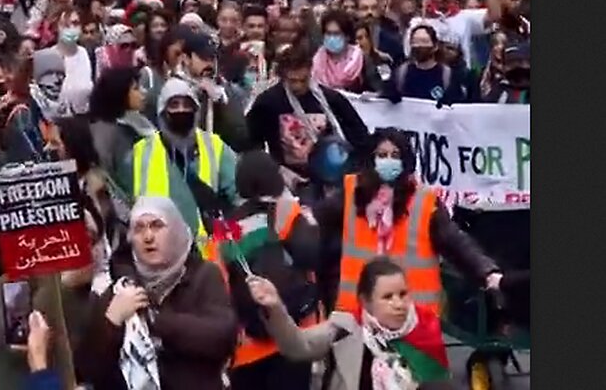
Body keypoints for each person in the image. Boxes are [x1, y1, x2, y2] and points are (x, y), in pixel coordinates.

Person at [313, 128, 502, 315]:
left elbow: (456, 242)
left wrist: (487, 272)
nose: (388, 161)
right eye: (382, 155)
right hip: (357, 319)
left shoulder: (424, 201)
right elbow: (315, 231)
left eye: (395, 155)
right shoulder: (350, 194)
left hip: (412, 321)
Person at [76, 197, 238, 390]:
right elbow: (88, 369)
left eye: (157, 225)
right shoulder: (121, 289)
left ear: (176, 230)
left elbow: (222, 338)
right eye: (139, 228)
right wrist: (111, 321)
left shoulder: (202, 275)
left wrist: (155, 321)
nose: (148, 237)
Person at [247, 257, 453, 390]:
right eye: (388, 297)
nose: (398, 304)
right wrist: (275, 307)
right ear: (365, 301)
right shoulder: (346, 328)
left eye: (403, 294)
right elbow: (298, 346)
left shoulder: (424, 331)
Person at [225, 151, 322, 390]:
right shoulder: (286, 211)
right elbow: (311, 255)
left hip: (248, 344)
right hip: (294, 336)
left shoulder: (226, 226)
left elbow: (223, 281)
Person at [118, 78, 239, 260]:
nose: (181, 110)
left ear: (196, 110)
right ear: (162, 111)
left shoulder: (214, 145)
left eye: (187, 104)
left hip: (209, 254)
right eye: (174, 104)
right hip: (160, 255)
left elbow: (239, 193)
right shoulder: (140, 152)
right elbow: (126, 206)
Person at [246, 43, 370, 196]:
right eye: (292, 81)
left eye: (303, 80)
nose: (298, 86)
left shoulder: (331, 99)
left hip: (333, 181)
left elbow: (360, 136)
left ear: (311, 71)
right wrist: (276, 170)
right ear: (283, 75)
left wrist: (353, 167)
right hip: (288, 182)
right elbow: (251, 143)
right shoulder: (268, 102)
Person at [143, 30, 250, 151]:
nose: (210, 63)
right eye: (203, 57)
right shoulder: (164, 90)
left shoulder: (225, 90)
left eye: (213, 58)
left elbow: (240, 135)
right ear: (186, 58)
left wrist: (221, 103)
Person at [385, 25, 465, 107]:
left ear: (435, 46)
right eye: (415, 42)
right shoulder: (401, 74)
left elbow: (457, 107)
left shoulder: (447, 75)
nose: (419, 46)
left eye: (424, 41)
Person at [311, 10, 369, 92]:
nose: (331, 38)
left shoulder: (361, 58)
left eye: (336, 34)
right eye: (328, 33)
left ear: (347, 36)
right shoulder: (317, 61)